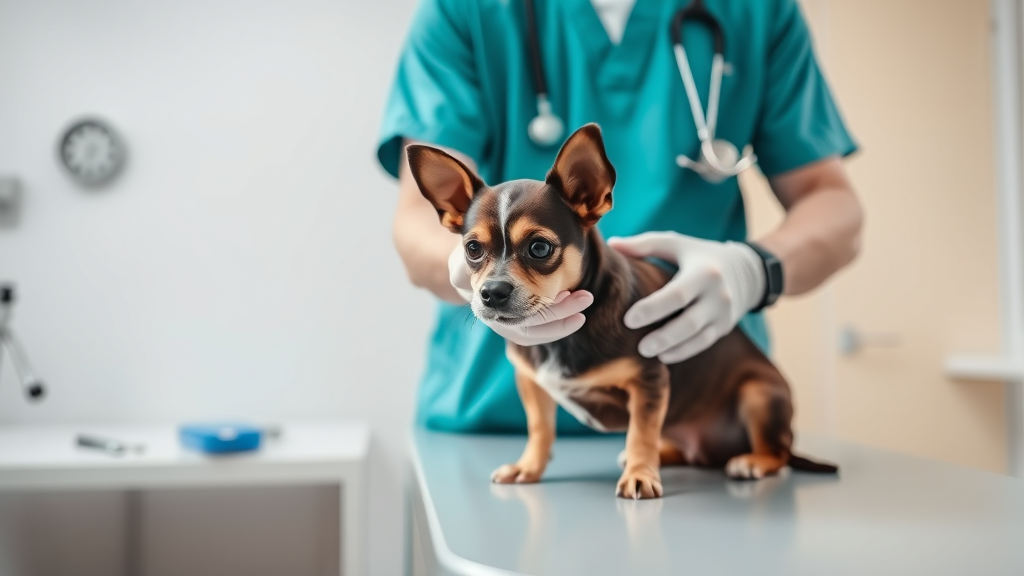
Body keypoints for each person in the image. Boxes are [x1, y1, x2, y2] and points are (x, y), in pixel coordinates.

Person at [377, 0, 863, 435]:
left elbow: (833, 204)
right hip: (496, 420)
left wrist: (754, 269)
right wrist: (464, 268)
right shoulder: (465, 10)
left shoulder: (756, 11)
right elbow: (420, 216)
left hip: (695, 410)